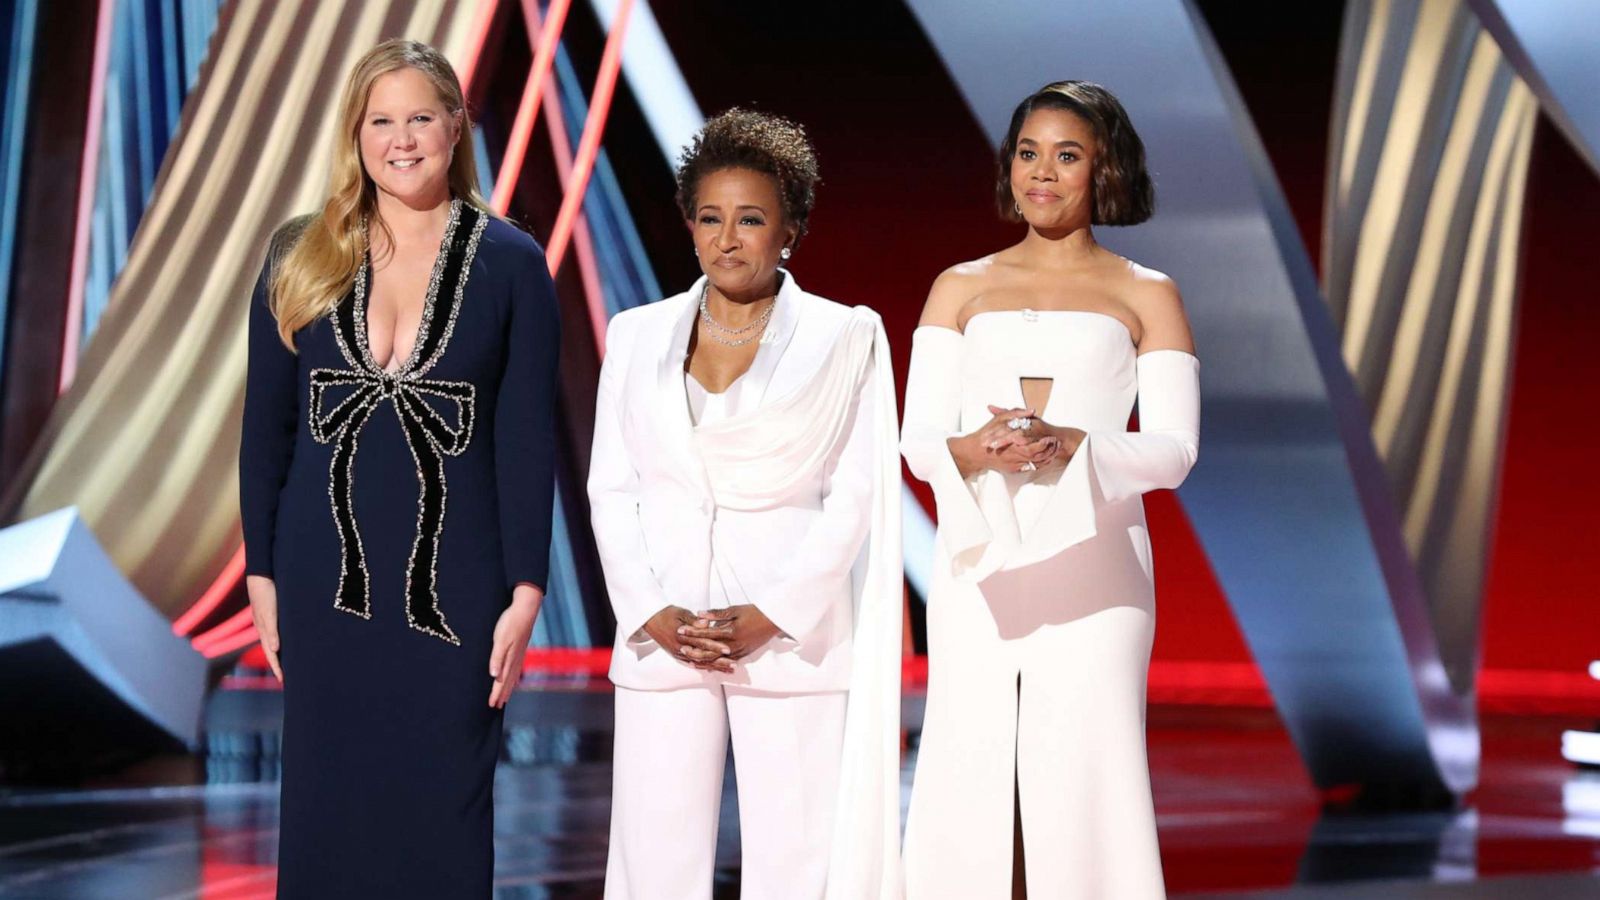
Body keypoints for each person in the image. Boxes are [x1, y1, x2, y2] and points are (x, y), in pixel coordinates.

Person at [238, 39, 560, 898]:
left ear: (457, 126)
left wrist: (527, 591)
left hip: (458, 591)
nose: (402, 139)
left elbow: (527, 441)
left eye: (421, 117)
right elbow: (265, 432)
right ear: (356, 133)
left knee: (442, 808)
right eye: (382, 120)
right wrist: (262, 573)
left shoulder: (513, 264)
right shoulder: (298, 253)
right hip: (318, 583)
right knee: (325, 807)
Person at [589, 108, 902, 899]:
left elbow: (855, 495)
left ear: (789, 227)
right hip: (666, 633)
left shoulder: (846, 337)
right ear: (689, 226)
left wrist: (775, 611)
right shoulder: (634, 334)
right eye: (711, 218)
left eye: (751, 219)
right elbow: (611, 488)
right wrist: (650, 610)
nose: (728, 238)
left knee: (798, 862)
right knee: (654, 860)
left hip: (789, 638)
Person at [900, 81, 1200, 899]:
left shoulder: (1147, 292)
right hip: (979, 567)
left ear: (1104, 169)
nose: (1043, 173)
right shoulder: (959, 286)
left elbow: (1175, 450)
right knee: (973, 772)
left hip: (1098, 571)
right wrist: (976, 448)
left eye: (1067, 156)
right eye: (1029, 153)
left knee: (1084, 778)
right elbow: (919, 442)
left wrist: (1075, 445)